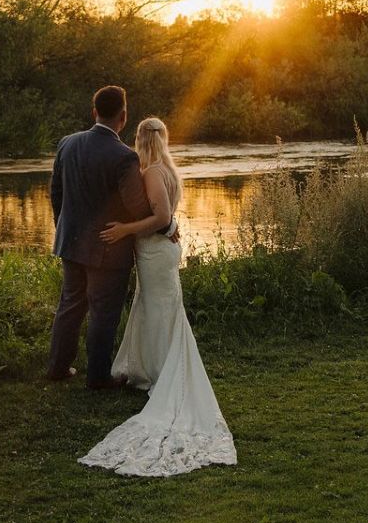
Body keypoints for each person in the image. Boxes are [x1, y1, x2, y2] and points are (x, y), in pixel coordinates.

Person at [78, 116, 236, 477]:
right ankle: (151, 368)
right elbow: (169, 219)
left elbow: (162, 217)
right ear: (162, 140)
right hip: (158, 252)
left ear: (140, 139)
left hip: (154, 252)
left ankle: (162, 372)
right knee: (154, 308)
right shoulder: (167, 169)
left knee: (160, 309)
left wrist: (124, 230)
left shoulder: (150, 173)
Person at [46, 85, 161, 389]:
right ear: (123, 117)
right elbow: (136, 207)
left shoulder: (66, 144)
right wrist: (165, 222)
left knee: (70, 305)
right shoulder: (125, 157)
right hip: (109, 249)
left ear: (94, 112)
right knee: (103, 312)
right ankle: (97, 377)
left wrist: (66, 226)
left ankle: (58, 367)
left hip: (70, 243)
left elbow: (56, 192)